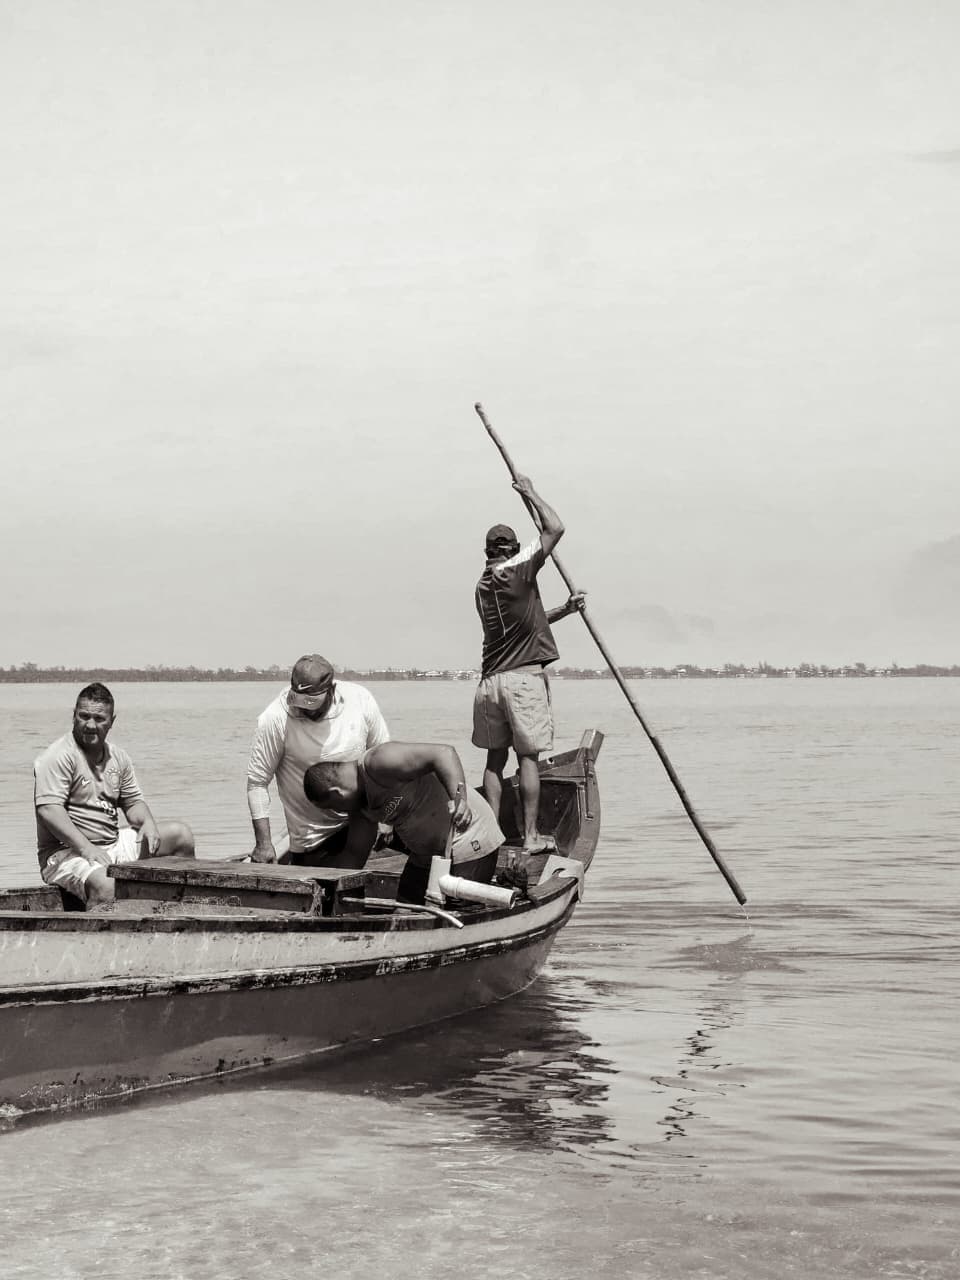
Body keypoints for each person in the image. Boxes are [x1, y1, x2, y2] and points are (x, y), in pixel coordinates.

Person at [472, 474, 585, 853]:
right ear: (513, 550)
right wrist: (530, 491)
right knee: (528, 760)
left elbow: (526, 622)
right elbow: (556, 528)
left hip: (490, 684)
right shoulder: (518, 569)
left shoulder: (482, 586)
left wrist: (565, 610)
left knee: (495, 760)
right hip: (522, 682)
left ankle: (491, 837)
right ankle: (532, 836)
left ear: (487, 552)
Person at [34, 683, 195, 908]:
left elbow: (133, 803)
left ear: (111, 721)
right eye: (84, 716)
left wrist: (147, 822)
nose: (90, 725)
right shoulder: (58, 756)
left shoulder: (118, 757)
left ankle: (182, 911)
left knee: (181, 836)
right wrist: (86, 849)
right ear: (74, 716)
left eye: (99, 718)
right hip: (66, 853)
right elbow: (49, 811)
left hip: (112, 844)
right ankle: (97, 926)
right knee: (107, 885)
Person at [303, 741, 504, 904]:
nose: (339, 812)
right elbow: (354, 856)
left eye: (333, 807)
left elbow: (443, 753)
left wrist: (460, 800)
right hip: (426, 854)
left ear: (337, 793)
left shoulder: (379, 761)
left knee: (458, 909)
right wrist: (319, 886)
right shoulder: (360, 809)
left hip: (469, 837)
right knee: (405, 909)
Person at [246, 654, 390, 866]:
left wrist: (387, 816)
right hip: (311, 836)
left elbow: (384, 761)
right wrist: (263, 843)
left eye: (312, 704)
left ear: (332, 690)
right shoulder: (274, 718)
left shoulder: (360, 700)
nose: (305, 709)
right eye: (300, 702)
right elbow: (257, 783)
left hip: (360, 821)